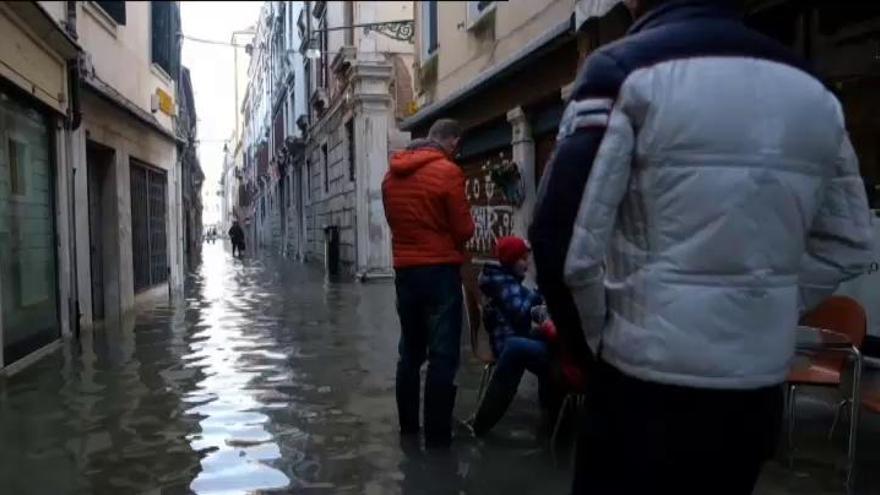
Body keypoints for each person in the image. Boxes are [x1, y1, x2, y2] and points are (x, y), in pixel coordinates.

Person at [529, 0, 875, 493]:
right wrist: (765, 304)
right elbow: (849, 239)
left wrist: (595, 349)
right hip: (754, 390)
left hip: (643, 383)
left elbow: (562, 241)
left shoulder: (622, 71)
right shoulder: (814, 90)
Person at [383, 118, 475, 448]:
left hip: (405, 274)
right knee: (443, 355)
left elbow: (393, 222)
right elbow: (464, 230)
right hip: (439, 274)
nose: (456, 152)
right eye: (457, 147)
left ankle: (408, 431)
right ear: (450, 142)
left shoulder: (390, 178)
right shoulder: (448, 172)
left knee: (409, 352)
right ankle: (438, 439)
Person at [468, 236, 559, 436]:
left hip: (509, 335)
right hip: (506, 339)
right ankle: (548, 419)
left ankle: (549, 419)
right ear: (510, 261)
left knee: (542, 339)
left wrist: (537, 302)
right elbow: (520, 311)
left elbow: (526, 306)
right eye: (522, 259)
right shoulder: (503, 283)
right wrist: (537, 296)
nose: (527, 263)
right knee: (541, 343)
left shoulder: (504, 280)